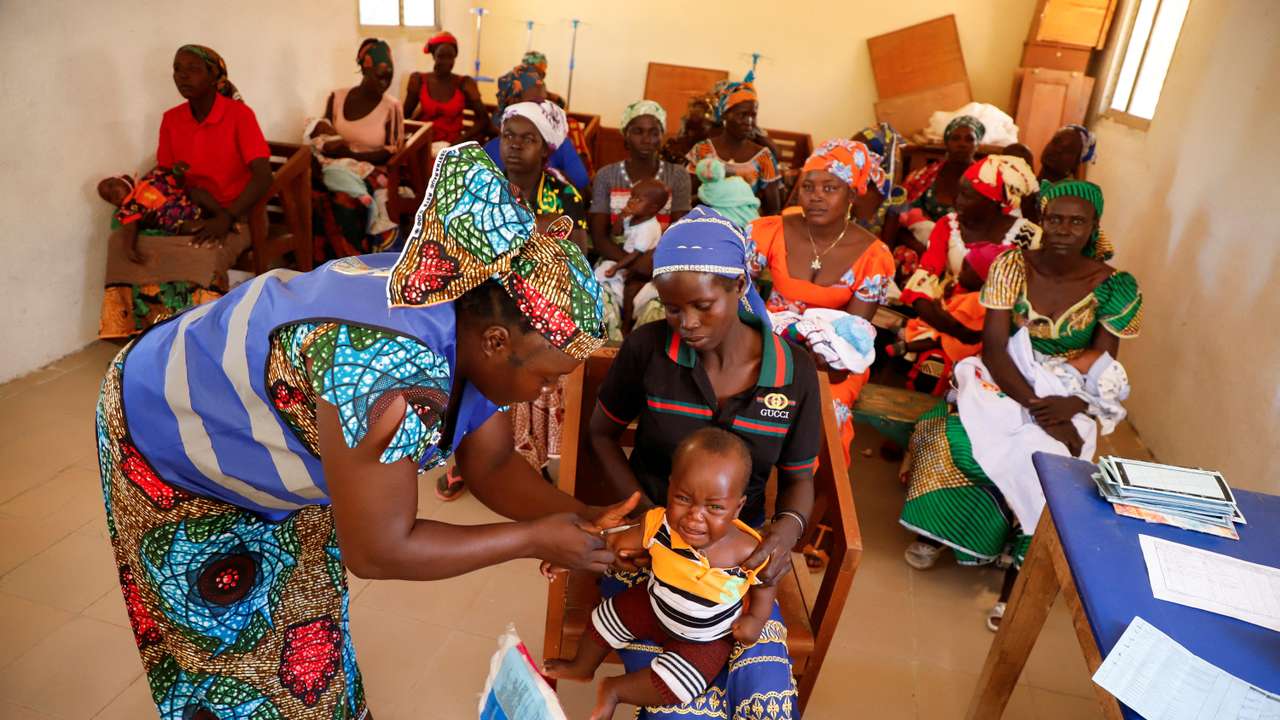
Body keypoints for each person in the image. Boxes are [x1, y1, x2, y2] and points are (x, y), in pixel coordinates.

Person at [94, 143, 641, 719]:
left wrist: (582, 521)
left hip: (269, 433)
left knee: (307, 642)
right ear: (498, 345)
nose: (547, 395)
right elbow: (380, 550)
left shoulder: (473, 308)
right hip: (169, 441)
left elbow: (494, 465)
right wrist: (533, 539)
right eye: (548, 378)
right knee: (236, 663)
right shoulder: (385, 372)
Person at [587, 206, 817, 718]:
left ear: (739, 286)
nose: (686, 323)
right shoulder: (649, 349)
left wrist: (785, 533)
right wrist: (649, 515)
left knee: (765, 701)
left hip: (739, 566)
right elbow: (601, 434)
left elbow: (801, 481)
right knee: (682, 708)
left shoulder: (792, 372)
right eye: (672, 309)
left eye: (702, 305)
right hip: (650, 556)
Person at [899, 181, 1142, 630]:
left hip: (1070, 389)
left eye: (1077, 221)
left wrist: (1068, 406)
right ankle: (942, 534)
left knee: (1052, 462)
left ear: (1093, 227)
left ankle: (1016, 583)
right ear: (1042, 220)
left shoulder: (1115, 286)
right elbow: (993, 347)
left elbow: (1103, 360)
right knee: (953, 435)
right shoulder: (1013, 264)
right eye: (1055, 219)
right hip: (1008, 375)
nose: (1064, 229)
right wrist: (1035, 404)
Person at [544, 428, 777, 720]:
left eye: (715, 507)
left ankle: (615, 690)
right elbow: (613, 543)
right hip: (653, 605)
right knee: (605, 618)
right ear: (670, 488)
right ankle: (582, 667)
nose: (695, 516)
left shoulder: (748, 548)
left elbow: (765, 586)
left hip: (706, 638)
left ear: (738, 506)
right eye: (683, 498)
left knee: (682, 686)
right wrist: (569, 557)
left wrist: (755, 619)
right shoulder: (658, 524)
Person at [433, 100, 590, 501]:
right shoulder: (478, 186)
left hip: (542, 306)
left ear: (545, 148)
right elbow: (454, 246)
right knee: (474, 356)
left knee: (534, 363)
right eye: (508, 136)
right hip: (478, 299)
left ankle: (527, 460)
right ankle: (464, 457)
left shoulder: (562, 194)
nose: (515, 146)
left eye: (528, 139)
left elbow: (575, 254)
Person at [99, 44, 272, 339]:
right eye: (178, 68)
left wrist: (227, 217)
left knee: (202, 254)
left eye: (193, 69)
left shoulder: (239, 116)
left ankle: (202, 334)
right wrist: (141, 211)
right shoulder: (172, 118)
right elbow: (166, 176)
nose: (182, 76)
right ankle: (147, 330)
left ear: (214, 75)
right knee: (120, 242)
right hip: (184, 211)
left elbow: (262, 176)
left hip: (236, 215)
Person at [746, 139, 896, 462]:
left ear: (852, 195)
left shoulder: (873, 257)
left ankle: (804, 495)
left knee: (825, 412)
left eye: (830, 188)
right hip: (768, 339)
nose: (815, 196)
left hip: (833, 357)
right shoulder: (771, 230)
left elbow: (853, 339)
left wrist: (814, 355)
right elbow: (737, 290)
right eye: (808, 187)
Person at [898, 155, 1042, 351]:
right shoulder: (948, 225)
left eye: (967, 195)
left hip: (1006, 326)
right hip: (949, 316)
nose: (957, 200)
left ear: (993, 202)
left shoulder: (1029, 235)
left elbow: (1033, 296)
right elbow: (923, 281)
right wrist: (955, 328)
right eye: (959, 192)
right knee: (931, 368)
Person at [315, 38, 406, 257]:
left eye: (389, 75)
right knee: (314, 195)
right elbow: (324, 133)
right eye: (380, 75)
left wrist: (351, 153)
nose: (386, 82)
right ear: (365, 70)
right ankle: (320, 263)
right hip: (335, 165)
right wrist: (331, 147)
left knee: (344, 200)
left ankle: (353, 260)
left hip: (373, 169)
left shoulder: (391, 106)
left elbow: (393, 150)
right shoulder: (337, 98)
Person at [887, 243, 1003, 380]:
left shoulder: (976, 300)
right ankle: (906, 333)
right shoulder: (972, 294)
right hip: (957, 333)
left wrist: (936, 308)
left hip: (960, 341)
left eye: (965, 269)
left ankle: (905, 346)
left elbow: (952, 324)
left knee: (934, 338)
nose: (960, 271)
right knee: (931, 330)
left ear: (982, 280)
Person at [686, 74, 783, 216]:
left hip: (745, 225)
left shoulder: (763, 156)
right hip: (705, 221)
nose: (749, 121)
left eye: (753, 115)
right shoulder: (702, 150)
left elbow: (773, 210)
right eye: (742, 115)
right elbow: (687, 196)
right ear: (725, 115)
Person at [483, 64, 589, 191]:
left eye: (544, 102)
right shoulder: (490, 152)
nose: (543, 110)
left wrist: (556, 177)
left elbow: (583, 188)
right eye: (535, 104)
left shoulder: (558, 143)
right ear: (513, 104)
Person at [594, 179, 669, 335]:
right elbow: (616, 233)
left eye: (638, 200)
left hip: (641, 267)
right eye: (632, 197)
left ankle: (626, 324)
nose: (632, 202)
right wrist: (621, 216)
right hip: (626, 259)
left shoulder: (648, 228)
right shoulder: (633, 217)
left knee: (630, 291)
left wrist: (616, 267)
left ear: (653, 208)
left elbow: (636, 255)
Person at [98, 162, 208, 263]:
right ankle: (209, 225)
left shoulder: (150, 179)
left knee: (199, 193)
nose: (110, 193)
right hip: (177, 221)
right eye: (107, 197)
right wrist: (129, 248)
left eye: (111, 185)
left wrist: (177, 172)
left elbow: (176, 183)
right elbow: (130, 228)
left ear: (125, 179)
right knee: (188, 227)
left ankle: (219, 217)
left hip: (187, 203)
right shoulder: (128, 208)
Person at [403, 31, 490, 146]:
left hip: (453, 145)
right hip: (424, 145)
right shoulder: (419, 80)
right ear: (433, 55)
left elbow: (483, 119)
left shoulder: (464, 83)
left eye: (450, 57)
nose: (446, 62)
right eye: (441, 56)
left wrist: (459, 142)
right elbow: (405, 115)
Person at [902, 115, 984, 222]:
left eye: (969, 139)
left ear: (977, 145)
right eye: (955, 138)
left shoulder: (986, 182)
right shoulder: (925, 176)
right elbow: (905, 211)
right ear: (946, 143)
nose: (962, 144)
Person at [661, 94, 714, 165]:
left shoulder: (708, 127)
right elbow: (682, 134)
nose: (695, 111)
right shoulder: (686, 121)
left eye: (699, 110)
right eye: (694, 108)